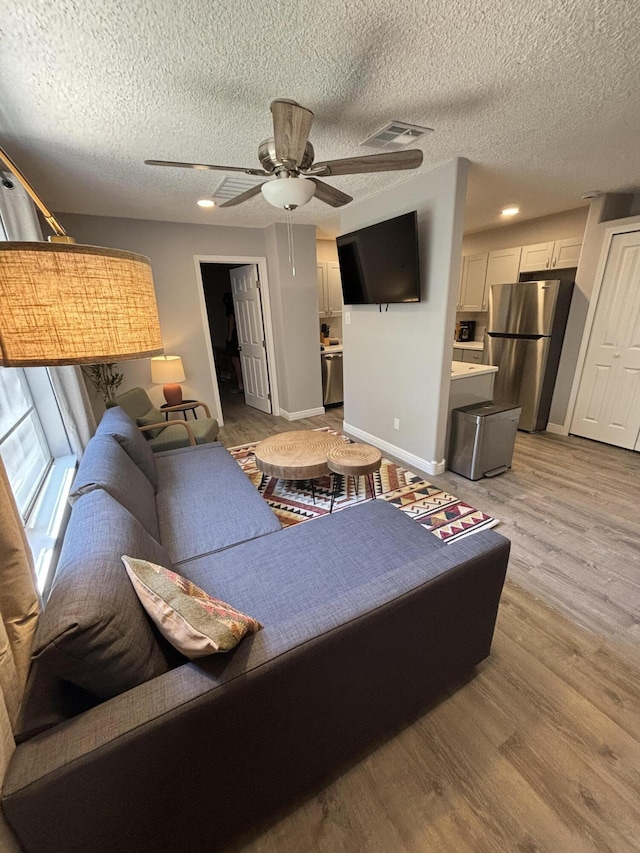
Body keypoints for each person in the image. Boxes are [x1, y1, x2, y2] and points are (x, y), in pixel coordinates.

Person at [223, 292, 244, 394]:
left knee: (235, 360)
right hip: (245, 334)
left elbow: (231, 320)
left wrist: (229, 336)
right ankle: (242, 384)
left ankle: (240, 384)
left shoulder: (231, 305)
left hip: (236, 336)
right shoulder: (243, 304)